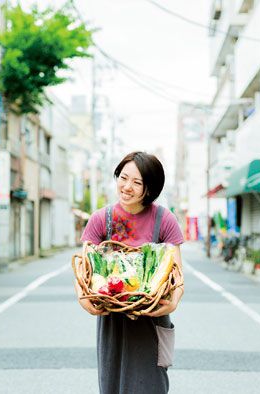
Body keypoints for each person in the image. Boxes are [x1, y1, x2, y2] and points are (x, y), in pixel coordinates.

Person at [75, 151, 184, 394]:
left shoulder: (164, 220)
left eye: (137, 183)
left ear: (150, 188)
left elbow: (177, 278)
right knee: (112, 385)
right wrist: (85, 300)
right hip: (112, 321)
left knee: (153, 386)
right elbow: (83, 273)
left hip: (152, 320)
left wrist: (171, 303)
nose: (127, 187)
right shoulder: (101, 220)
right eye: (123, 178)